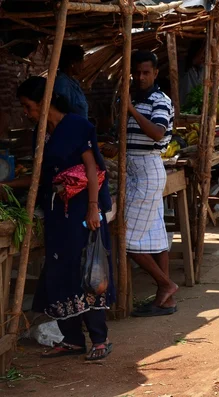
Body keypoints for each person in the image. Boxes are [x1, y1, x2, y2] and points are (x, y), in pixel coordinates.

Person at [10, 76, 114, 360]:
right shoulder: (41, 133)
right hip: (57, 211)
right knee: (60, 269)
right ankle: (72, 339)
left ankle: (99, 340)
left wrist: (93, 208)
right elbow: (41, 177)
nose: (27, 113)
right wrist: (7, 186)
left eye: (29, 106)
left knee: (87, 269)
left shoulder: (78, 126)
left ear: (45, 103)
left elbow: (92, 169)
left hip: (82, 211)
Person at [124, 50, 178, 317]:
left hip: (147, 170)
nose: (141, 77)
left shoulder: (159, 100)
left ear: (156, 73)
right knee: (156, 238)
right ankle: (164, 300)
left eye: (147, 72)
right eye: (137, 72)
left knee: (126, 238)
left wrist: (130, 110)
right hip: (136, 168)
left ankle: (166, 284)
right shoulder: (138, 97)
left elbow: (157, 133)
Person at [54, 44, 89, 119]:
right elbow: (63, 111)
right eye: (81, 62)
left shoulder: (73, 82)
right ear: (72, 63)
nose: (83, 66)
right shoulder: (62, 83)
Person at [179, 40, 205, 106]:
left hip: (198, 107)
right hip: (184, 107)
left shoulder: (201, 68)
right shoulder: (184, 65)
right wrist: (205, 44)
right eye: (201, 56)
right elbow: (196, 59)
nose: (203, 58)